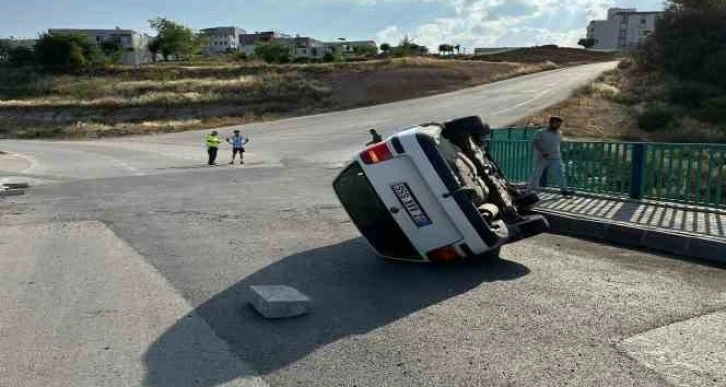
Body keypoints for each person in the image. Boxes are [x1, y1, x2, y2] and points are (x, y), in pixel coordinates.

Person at [528, 117, 573, 197]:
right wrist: (543, 152)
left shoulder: (559, 133)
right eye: (556, 123)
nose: (558, 126)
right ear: (551, 123)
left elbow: (557, 144)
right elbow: (535, 143)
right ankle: (532, 190)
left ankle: (564, 190)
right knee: (537, 173)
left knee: (560, 172)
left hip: (555, 157)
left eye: (559, 124)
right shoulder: (541, 132)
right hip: (541, 157)